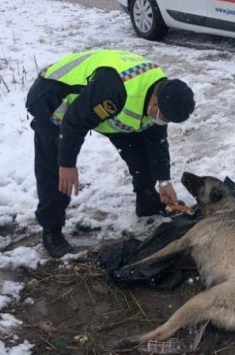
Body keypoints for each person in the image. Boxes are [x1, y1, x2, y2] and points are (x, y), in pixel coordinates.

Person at [25, 49, 196, 258]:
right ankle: (51, 231)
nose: (164, 122)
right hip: (53, 98)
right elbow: (74, 121)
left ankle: (147, 200)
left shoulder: (162, 93)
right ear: (155, 103)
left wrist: (163, 181)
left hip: (98, 107)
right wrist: (67, 164)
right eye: (164, 117)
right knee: (56, 170)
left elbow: (156, 141)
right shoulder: (116, 90)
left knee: (141, 149)